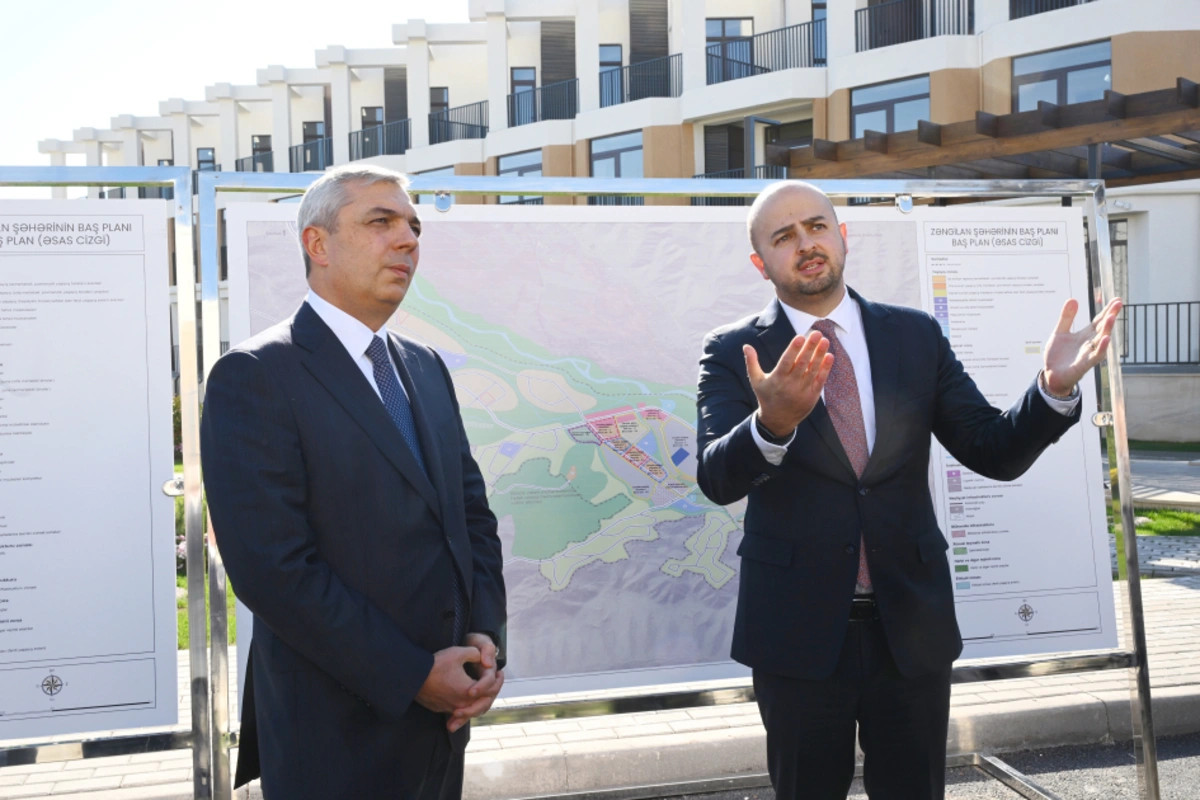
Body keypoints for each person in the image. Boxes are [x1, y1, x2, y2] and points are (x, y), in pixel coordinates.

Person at [695, 181, 1120, 800]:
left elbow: (992, 450)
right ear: (761, 263)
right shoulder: (736, 351)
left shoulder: (914, 336)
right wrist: (771, 424)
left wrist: (1052, 390)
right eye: (783, 237)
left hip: (911, 632)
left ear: (843, 236)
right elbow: (716, 477)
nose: (806, 244)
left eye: (816, 226)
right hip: (797, 634)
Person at [200, 164, 506, 799]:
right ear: (317, 243)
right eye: (381, 221)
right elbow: (272, 569)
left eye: (414, 227)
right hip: (333, 732)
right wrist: (411, 674)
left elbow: (469, 516)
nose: (407, 239)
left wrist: (484, 638)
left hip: (442, 722)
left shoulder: (424, 366)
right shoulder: (255, 374)